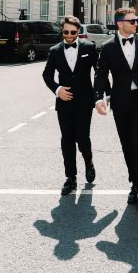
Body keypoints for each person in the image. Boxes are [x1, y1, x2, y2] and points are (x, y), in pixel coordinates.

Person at [94, 7, 138, 212]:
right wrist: (99, 98)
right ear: (120, 23)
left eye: (137, 20)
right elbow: (100, 74)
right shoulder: (107, 47)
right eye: (133, 21)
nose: (136, 23)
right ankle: (135, 182)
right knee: (127, 144)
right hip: (120, 101)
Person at [42, 15, 98, 196]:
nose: (69, 35)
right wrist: (58, 90)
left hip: (84, 102)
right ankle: (71, 177)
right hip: (64, 103)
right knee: (67, 139)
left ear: (78, 32)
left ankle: (88, 161)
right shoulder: (55, 51)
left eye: (72, 32)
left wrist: (103, 95)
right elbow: (47, 75)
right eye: (65, 32)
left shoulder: (89, 48)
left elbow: (99, 72)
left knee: (82, 137)